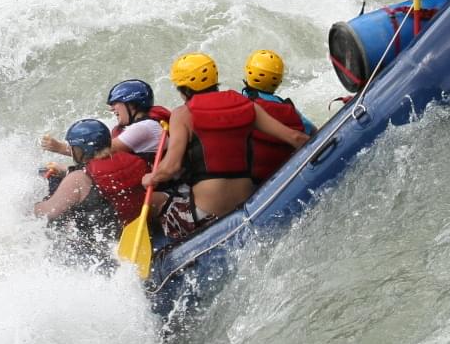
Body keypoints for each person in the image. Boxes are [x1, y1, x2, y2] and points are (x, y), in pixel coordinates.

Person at [144, 53, 311, 241]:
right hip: (246, 205)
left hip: (206, 214)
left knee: (153, 201)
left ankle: (162, 253)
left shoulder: (182, 114)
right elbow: (295, 137)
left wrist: (150, 177)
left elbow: (171, 167)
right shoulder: (247, 105)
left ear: (184, 89)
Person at [34, 119, 151, 241]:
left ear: (82, 150)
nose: (72, 151)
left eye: (73, 147)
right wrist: (66, 172)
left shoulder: (78, 179)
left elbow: (47, 213)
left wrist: (35, 206)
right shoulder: (136, 162)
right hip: (132, 232)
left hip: (98, 246)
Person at [41, 79, 169, 163]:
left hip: (164, 191)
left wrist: (59, 147)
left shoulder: (144, 128)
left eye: (115, 103)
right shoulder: (145, 124)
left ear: (131, 104)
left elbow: (98, 152)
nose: (111, 109)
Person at [238, 50, 317, 184]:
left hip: (253, 182)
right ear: (278, 80)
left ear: (248, 72)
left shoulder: (239, 104)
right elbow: (313, 131)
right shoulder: (287, 107)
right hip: (287, 174)